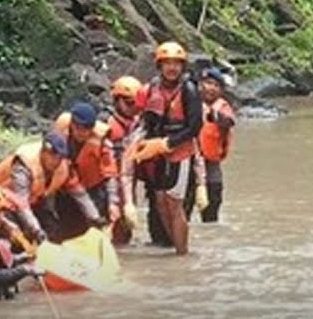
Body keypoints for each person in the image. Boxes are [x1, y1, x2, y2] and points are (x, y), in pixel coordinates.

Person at [124, 41, 203, 255]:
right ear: (159, 66)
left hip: (178, 153)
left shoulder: (189, 90)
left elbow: (195, 127)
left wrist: (166, 144)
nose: (172, 68)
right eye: (167, 63)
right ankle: (172, 247)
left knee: (174, 205)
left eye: (176, 64)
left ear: (182, 67)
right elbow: (142, 118)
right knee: (159, 202)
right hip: (155, 154)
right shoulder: (152, 89)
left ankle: (182, 253)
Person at [0, 133, 106, 245]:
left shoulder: (63, 166)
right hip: (6, 202)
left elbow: (78, 192)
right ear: (43, 152)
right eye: (51, 155)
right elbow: (21, 203)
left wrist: (95, 218)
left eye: (58, 157)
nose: (55, 161)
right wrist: (37, 230)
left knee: (53, 230)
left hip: (35, 199)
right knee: (19, 236)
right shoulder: (23, 165)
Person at [53, 102, 120, 241]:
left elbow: (110, 174)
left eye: (87, 129)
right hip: (67, 190)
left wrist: (113, 203)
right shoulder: (59, 136)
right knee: (68, 232)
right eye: (78, 128)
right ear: (71, 124)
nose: (82, 133)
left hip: (94, 188)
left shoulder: (102, 141)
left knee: (97, 228)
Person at [186, 67, 234, 223]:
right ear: (199, 84)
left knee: (211, 217)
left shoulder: (222, 107)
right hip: (188, 163)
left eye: (216, 85)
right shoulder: (189, 103)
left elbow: (229, 120)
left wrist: (214, 115)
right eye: (208, 83)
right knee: (183, 211)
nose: (211, 88)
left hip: (211, 166)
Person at [107, 76, 144, 245]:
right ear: (117, 101)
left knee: (126, 226)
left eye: (136, 103)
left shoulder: (139, 125)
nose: (133, 108)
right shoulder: (108, 125)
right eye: (129, 103)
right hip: (109, 180)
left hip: (129, 179)